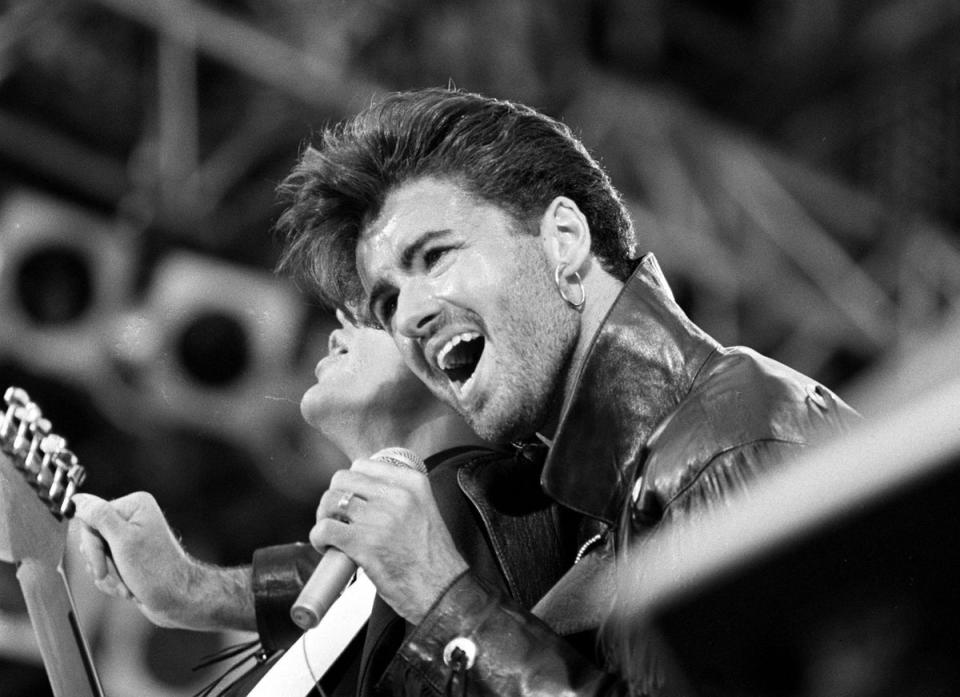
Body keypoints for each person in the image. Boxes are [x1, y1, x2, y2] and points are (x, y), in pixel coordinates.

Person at [273, 86, 861, 696]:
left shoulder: (724, 443)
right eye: (388, 300)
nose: (409, 316)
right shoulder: (615, 499)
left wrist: (442, 599)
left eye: (437, 256)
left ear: (564, 237)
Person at [72, 310, 569, 696]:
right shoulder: (396, 552)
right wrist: (190, 590)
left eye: (377, 308)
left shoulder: (504, 511)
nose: (338, 327)